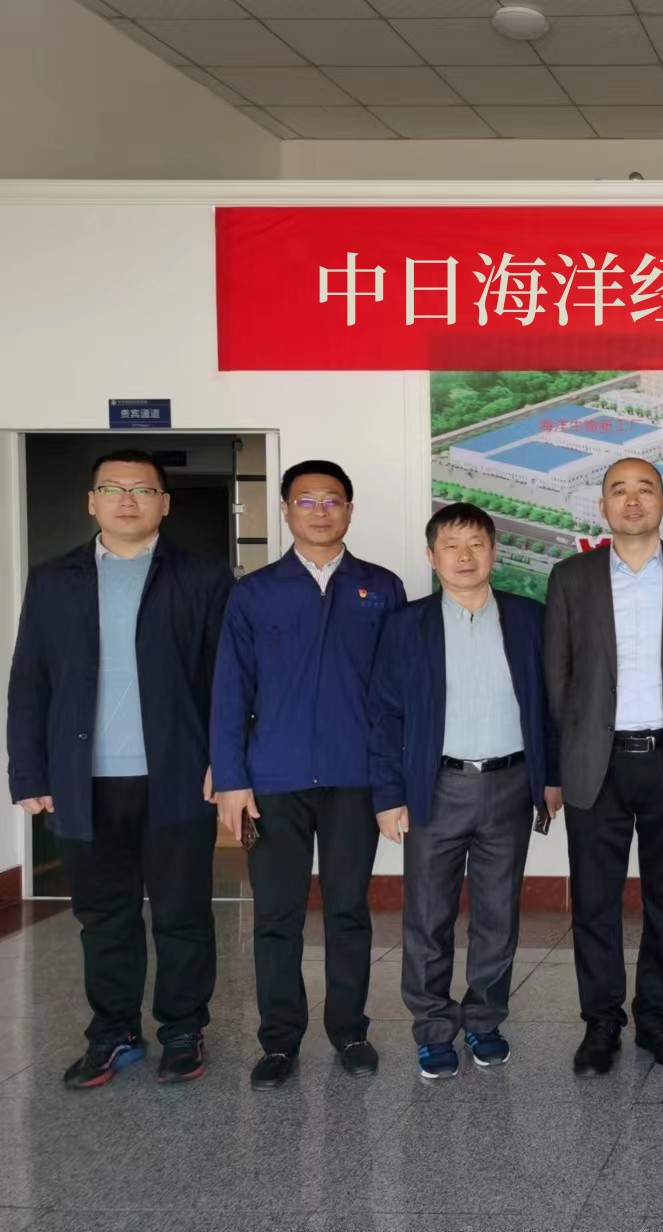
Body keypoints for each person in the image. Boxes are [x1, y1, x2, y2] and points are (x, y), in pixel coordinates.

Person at [6, 449, 231, 1088]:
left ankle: (182, 1029)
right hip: (83, 780)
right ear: (92, 501)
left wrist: (225, 762)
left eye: (142, 489)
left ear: (165, 503)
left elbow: (229, 681)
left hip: (177, 776)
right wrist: (29, 772)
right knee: (103, 916)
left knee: (183, 913)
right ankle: (114, 1029)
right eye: (112, 488)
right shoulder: (53, 580)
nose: (127, 500)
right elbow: (29, 680)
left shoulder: (204, 577)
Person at [211, 459, 405, 1090]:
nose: (320, 511)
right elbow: (229, 689)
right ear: (286, 510)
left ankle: (349, 1030)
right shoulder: (255, 592)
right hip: (273, 780)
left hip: (355, 778)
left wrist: (394, 782)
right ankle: (278, 1041)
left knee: (348, 910)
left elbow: (397, 693)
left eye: (332, 500)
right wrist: (232, 779)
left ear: (349, 510)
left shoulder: (381, 587)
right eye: (306, 500)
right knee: (277, 916)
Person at [368, 503, 563, 1080]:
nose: (464, 556)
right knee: (428, 915)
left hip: (511, 784)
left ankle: (484, 1021)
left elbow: (552, 705)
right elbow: (384, 716)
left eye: (476, 544)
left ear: (494, 552)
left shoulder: (529, 619)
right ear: (432, 557)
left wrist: (550, 777)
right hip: (436, 786)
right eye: (451, 546)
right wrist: (388, 795)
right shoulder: (406, 625)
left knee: (498, 913)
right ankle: (433, 1029)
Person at [543, 457, 663, 1076]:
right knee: (594, 902)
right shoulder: (572, 577)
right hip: (598, 765)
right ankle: (600, 1023)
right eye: (618, 490)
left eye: (645, 489)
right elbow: (556, 677)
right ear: (602, 506)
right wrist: (562, 763)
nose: (632, 500)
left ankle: (658, 1020)